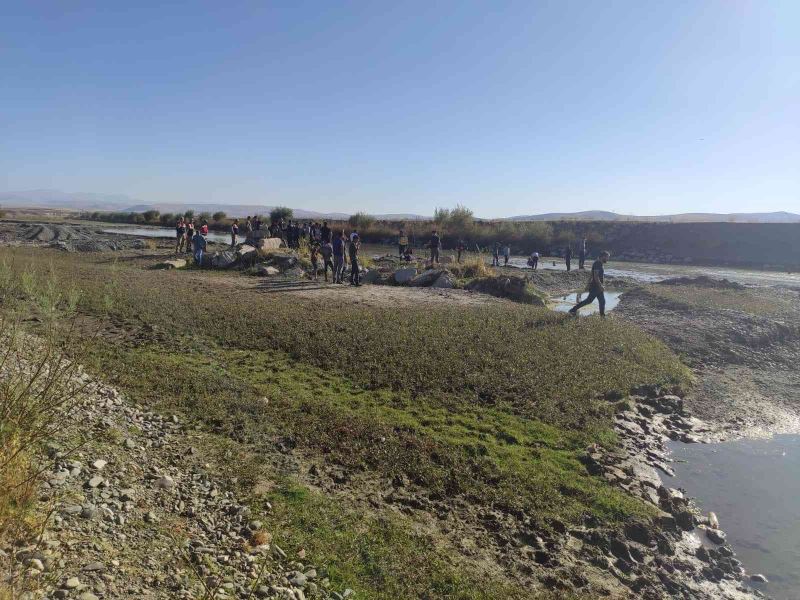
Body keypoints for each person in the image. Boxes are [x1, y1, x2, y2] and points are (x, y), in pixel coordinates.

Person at [569, 251, 610, 317]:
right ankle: (572, 310)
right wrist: (600, 286)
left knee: (602, 301)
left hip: (597, 287)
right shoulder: (597, 264)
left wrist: (587, 285)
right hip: (595, 287)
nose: (608, 259)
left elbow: (591, 275)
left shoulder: (599, 263)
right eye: (607, 257)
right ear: (603, 257)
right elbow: (595, 276)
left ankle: (602, 316)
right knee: (588, 301)